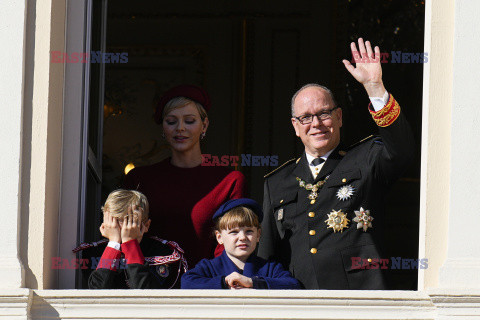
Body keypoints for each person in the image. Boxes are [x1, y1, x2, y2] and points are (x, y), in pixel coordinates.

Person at [257, 38, 415, 290]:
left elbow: (402, 150)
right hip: (299, 302)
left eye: (324, 113)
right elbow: (266, 257)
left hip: (360, 299)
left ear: (339, 117)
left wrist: (375, 88)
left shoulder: (367, 158)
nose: (316, 123)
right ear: (295, 127)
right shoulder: (276, 182)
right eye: (305, 117)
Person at [123, 84, 246, 267]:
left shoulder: (229, 181)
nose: (180, 128)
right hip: (150, 286)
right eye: (171, 121)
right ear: (163, 128)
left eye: (189, 121)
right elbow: (125, 240)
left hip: (208, 286)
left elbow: (235, 244)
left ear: (204, 125)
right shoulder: (139, 179)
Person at [74, 189, 187, 289]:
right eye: (114, 224)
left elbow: (146, 292)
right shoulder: (94, 252)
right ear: (105, 225)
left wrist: (130, 244)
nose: (123, 231)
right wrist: (113, 244)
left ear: (146, 225)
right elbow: (97, 290)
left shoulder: (162, 252)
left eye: (130, 224)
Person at [181, 198, 301, 289]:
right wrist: (224, 282)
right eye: (234, 232)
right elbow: (187, 282)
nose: (242, 237)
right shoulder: (209, 267)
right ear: (219, 237)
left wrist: (253, 282)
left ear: (258, 235)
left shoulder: (270, 268)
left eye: (249, 231)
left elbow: (293, 285)